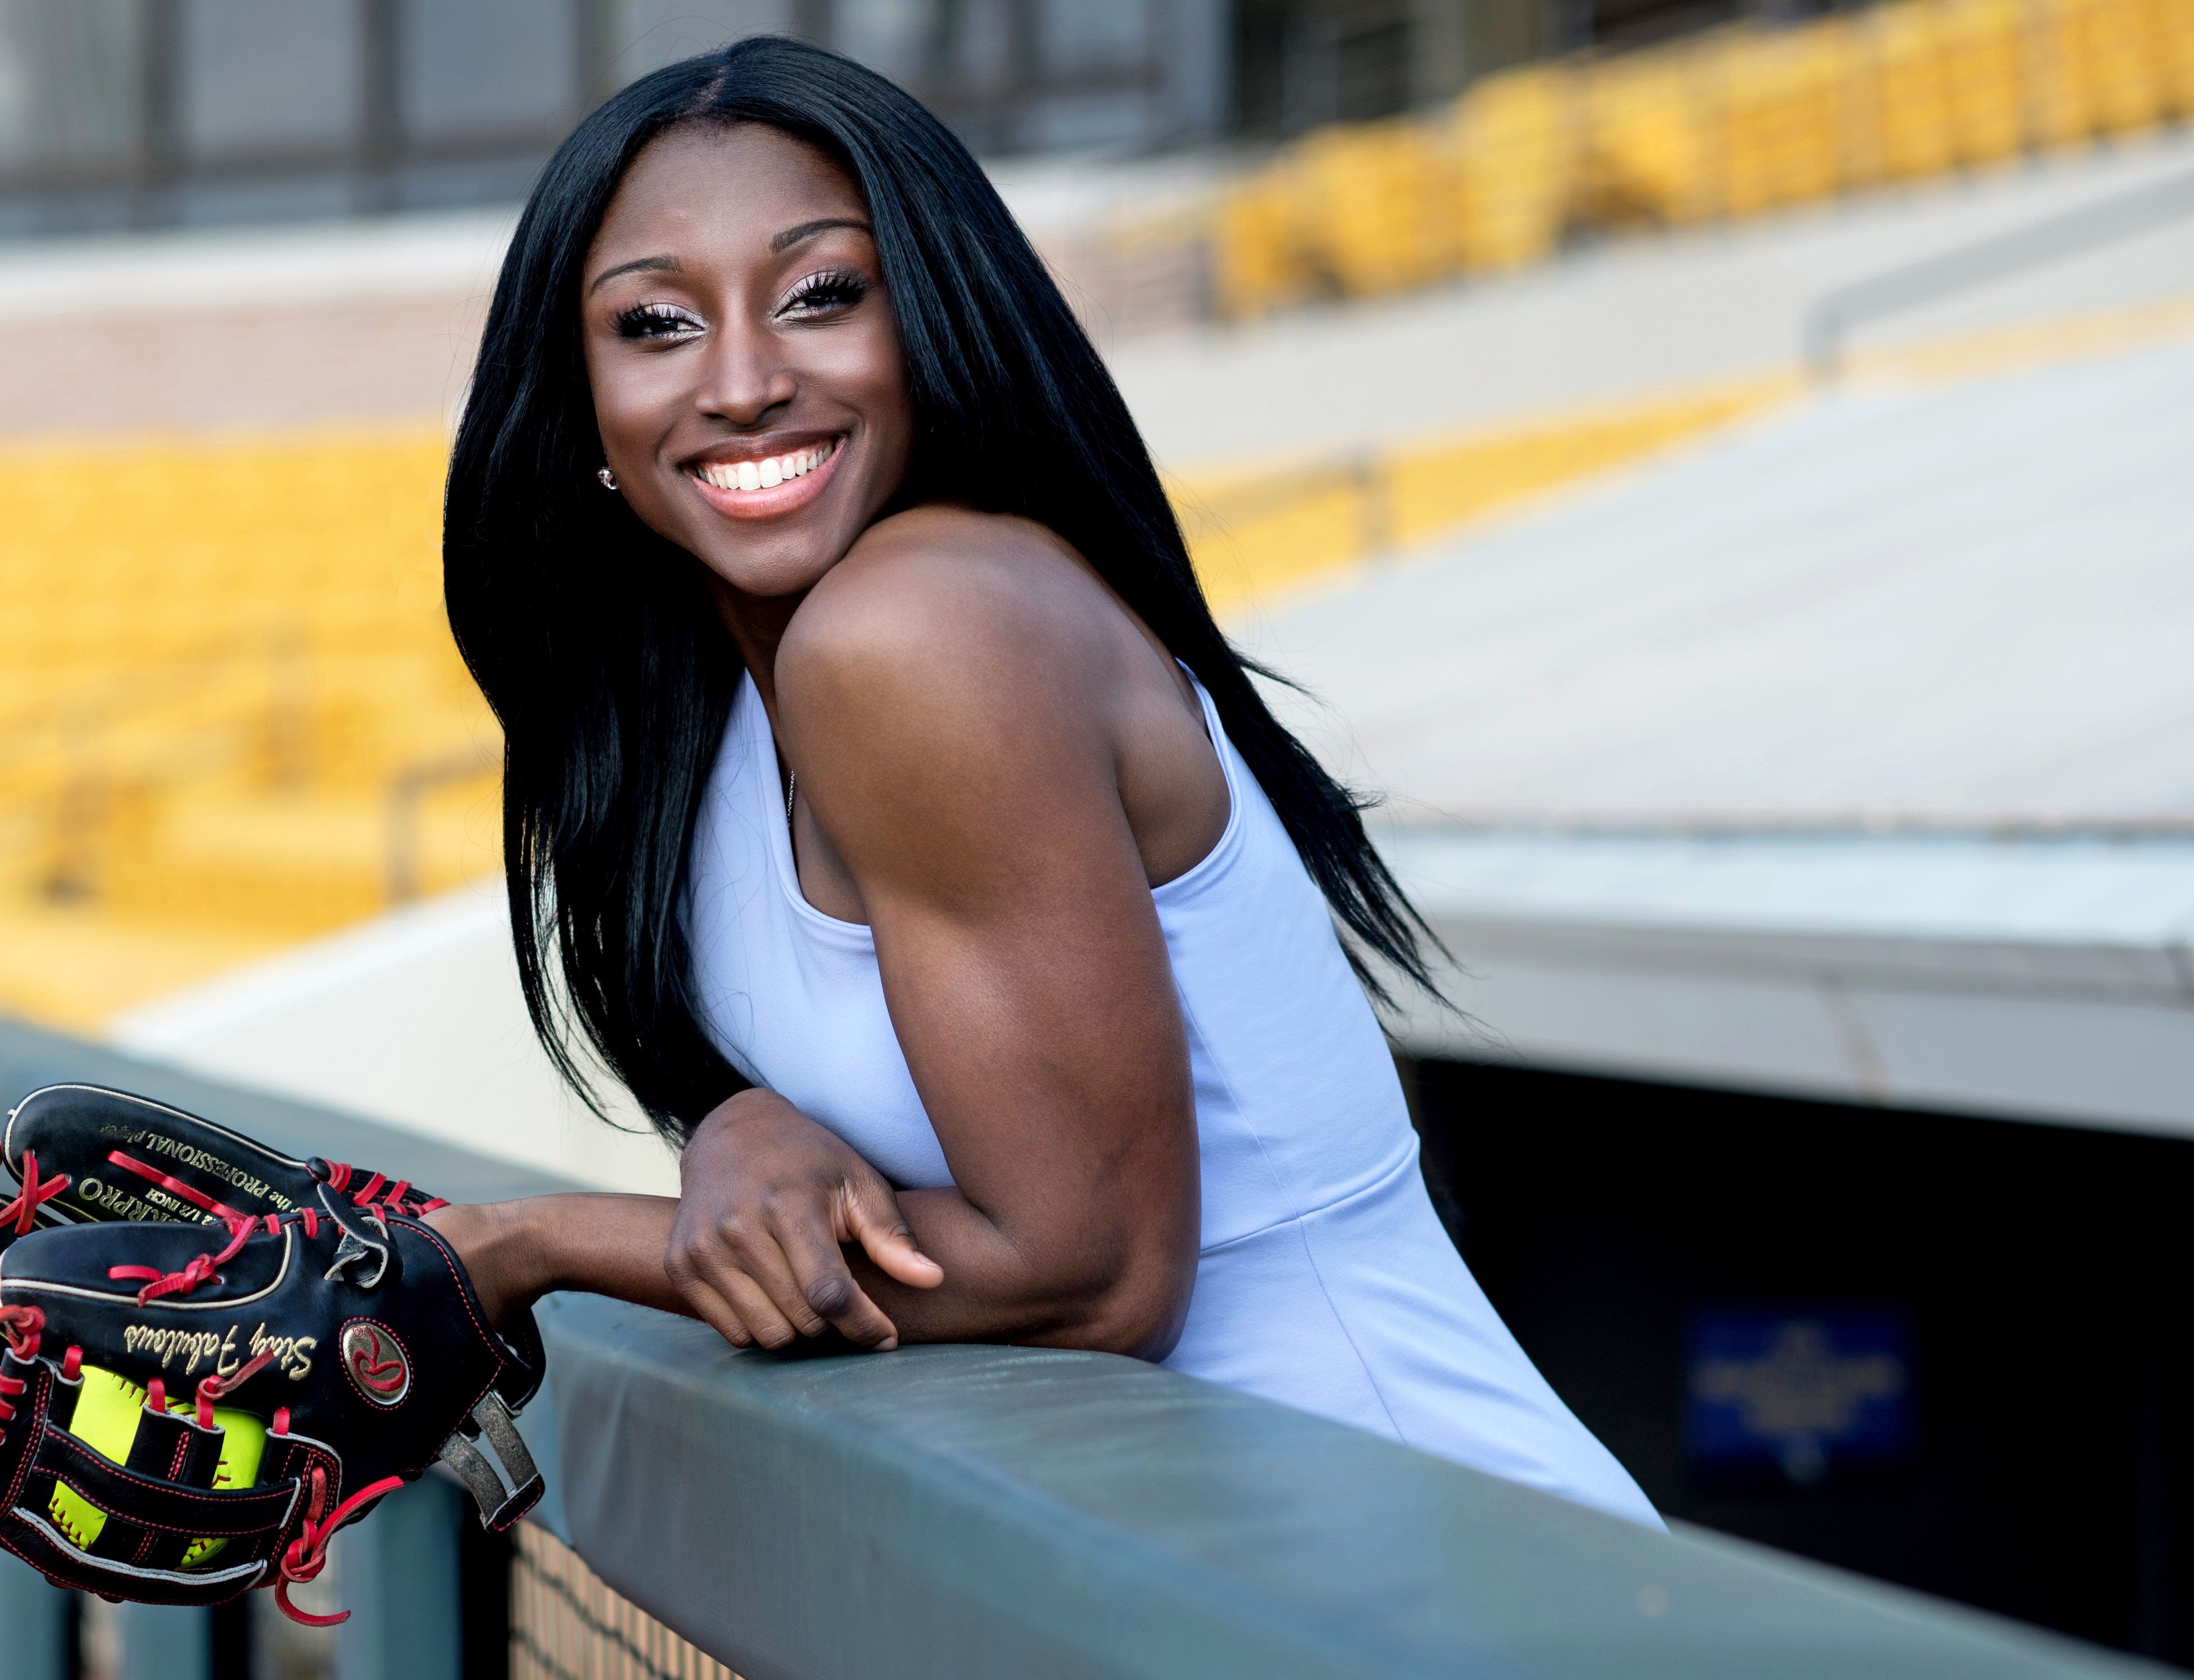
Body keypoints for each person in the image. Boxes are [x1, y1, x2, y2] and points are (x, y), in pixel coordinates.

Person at [419, 36, 1657, 1527]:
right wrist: (751, 1129)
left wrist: (524, 1242)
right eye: (658, 322)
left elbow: (1097, 1273)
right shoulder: (710, 717)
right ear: (586, 405)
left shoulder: (924, 628)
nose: (743, 382)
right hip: (1180, 1584)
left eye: (823, 294)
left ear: (931, 319)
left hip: (1424, 1572)